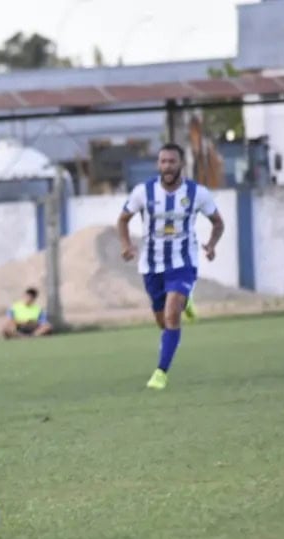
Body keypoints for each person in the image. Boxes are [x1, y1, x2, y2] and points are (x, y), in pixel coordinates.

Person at [115, 143, 224, 390]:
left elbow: (218, 223)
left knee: (172, 312)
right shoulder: (143, 192)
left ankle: (160, 373)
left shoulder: (198, 193)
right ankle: (187, 301)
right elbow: (123, 220)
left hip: (183, 261)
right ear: (158, 164)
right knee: (163, 322)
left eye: (171, 162)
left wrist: (212, 244)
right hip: (151, 265)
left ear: (181, 164)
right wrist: (125, 245)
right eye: (162, 161)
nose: (167, 166)